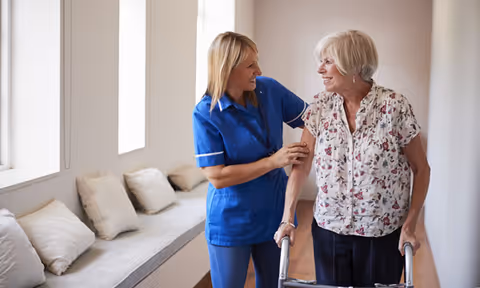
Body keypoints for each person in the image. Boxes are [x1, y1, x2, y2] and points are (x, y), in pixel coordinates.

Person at [274, 30, 431, 287]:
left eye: (328, 61)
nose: (320, 69)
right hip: (329, 229)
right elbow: (301, 167)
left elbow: (421, 168)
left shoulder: (394, 106)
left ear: (353, 65)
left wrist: (411, 224)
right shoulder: (320, 107)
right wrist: (287, 218)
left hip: (382, 232)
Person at [193, 31, 309, 288]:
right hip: (231, 219)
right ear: (227, 69)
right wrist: (273, 162)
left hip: (275, 213)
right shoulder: (206, 112)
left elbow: (314, 119)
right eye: (250, 65)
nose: (258, 70)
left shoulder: (269, 89)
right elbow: (217, 177)